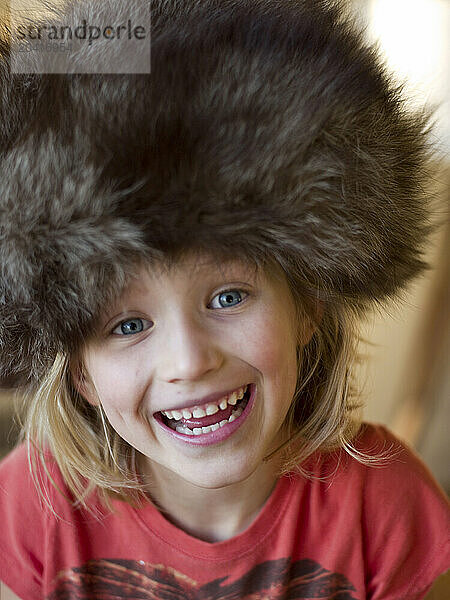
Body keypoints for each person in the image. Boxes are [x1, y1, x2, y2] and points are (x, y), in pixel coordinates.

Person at [0, 0, 449, 598]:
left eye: (229, 295)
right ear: (78, 367)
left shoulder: (388, 507)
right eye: (128, 325)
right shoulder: (29, 512)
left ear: (309, 306)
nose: (188, 361)